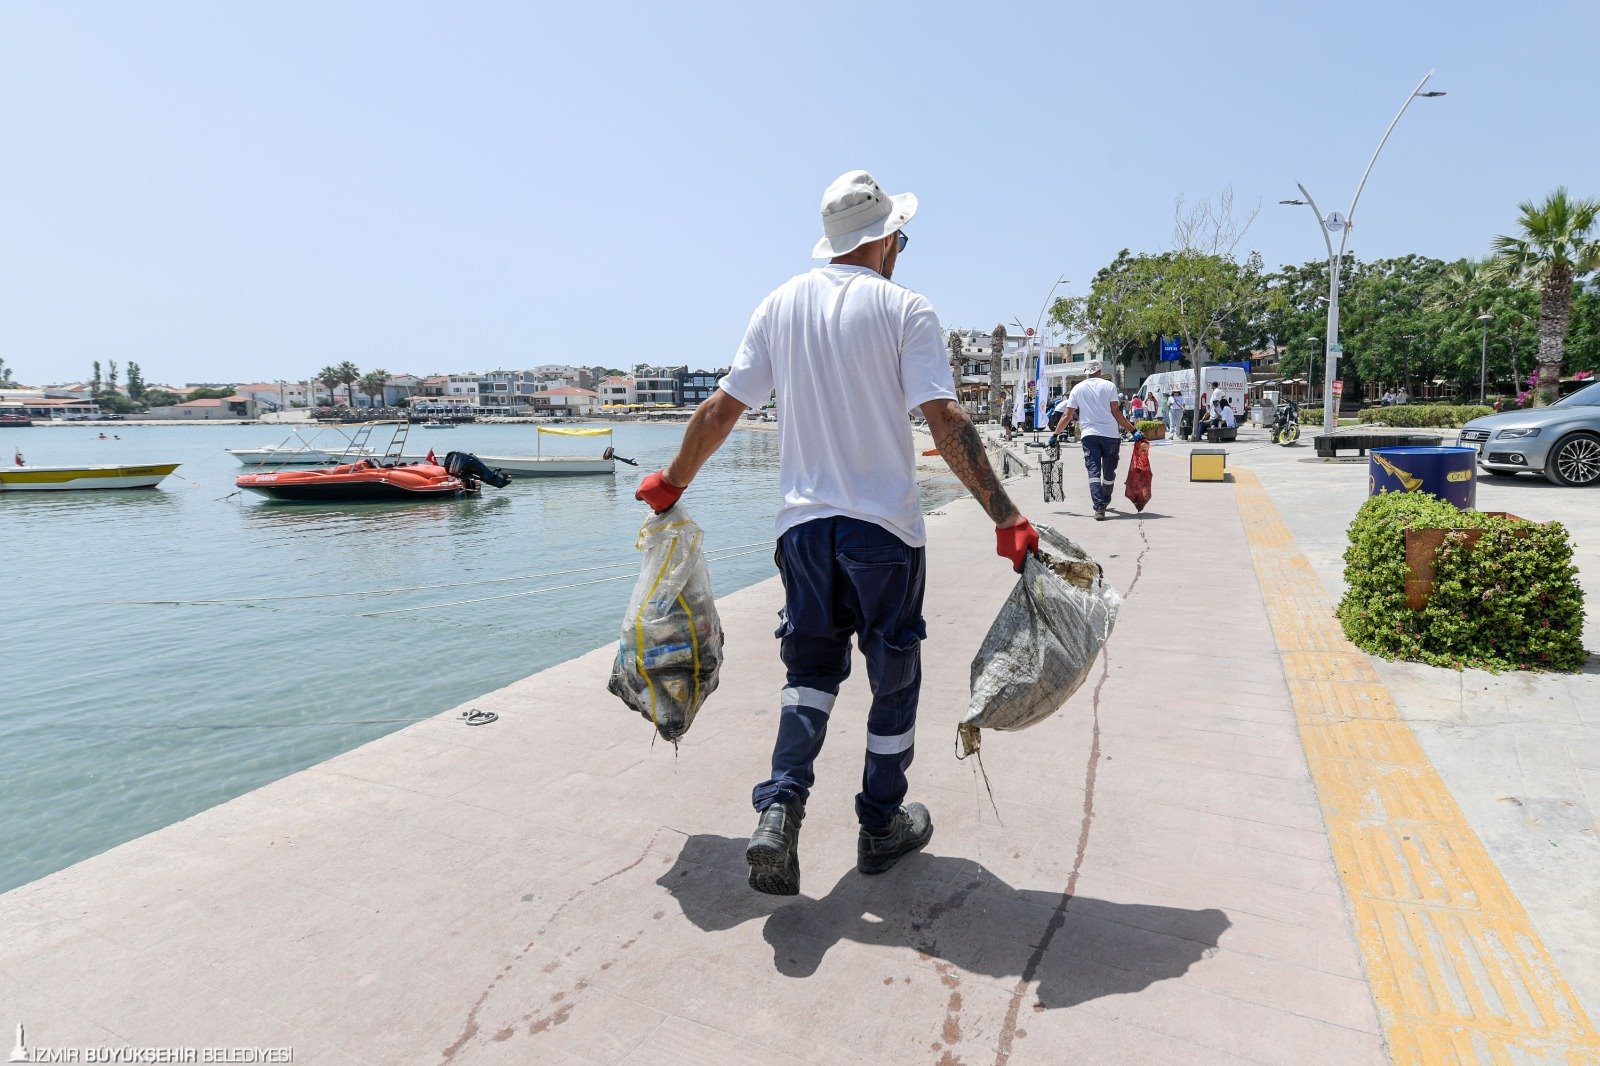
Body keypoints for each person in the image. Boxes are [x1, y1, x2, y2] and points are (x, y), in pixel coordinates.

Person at [634, 170, 1038, 897]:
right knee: (893, 681)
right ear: (885, 239)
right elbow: (945, 420)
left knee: (810, 675)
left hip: (803, 531)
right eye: (901, 239)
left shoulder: (779, 304)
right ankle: (881, 823)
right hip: (882, 531)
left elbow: (721, 411)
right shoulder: (905, 308)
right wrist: (1005, 515)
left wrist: (673, 483)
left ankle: (780, 808)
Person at [1052, 360, 1138, 520]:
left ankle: (1099, 508)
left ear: (1086, 373)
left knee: (1093, 472)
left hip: (1089, 436)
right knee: (1109, 471)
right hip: (1111, 435)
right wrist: (1133, 430)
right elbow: (1116, 414)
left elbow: (1067, 415)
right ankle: (1104, 500)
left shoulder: (1077, 389)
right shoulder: (1109, 386)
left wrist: (1055, 435)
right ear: (1099, 372)